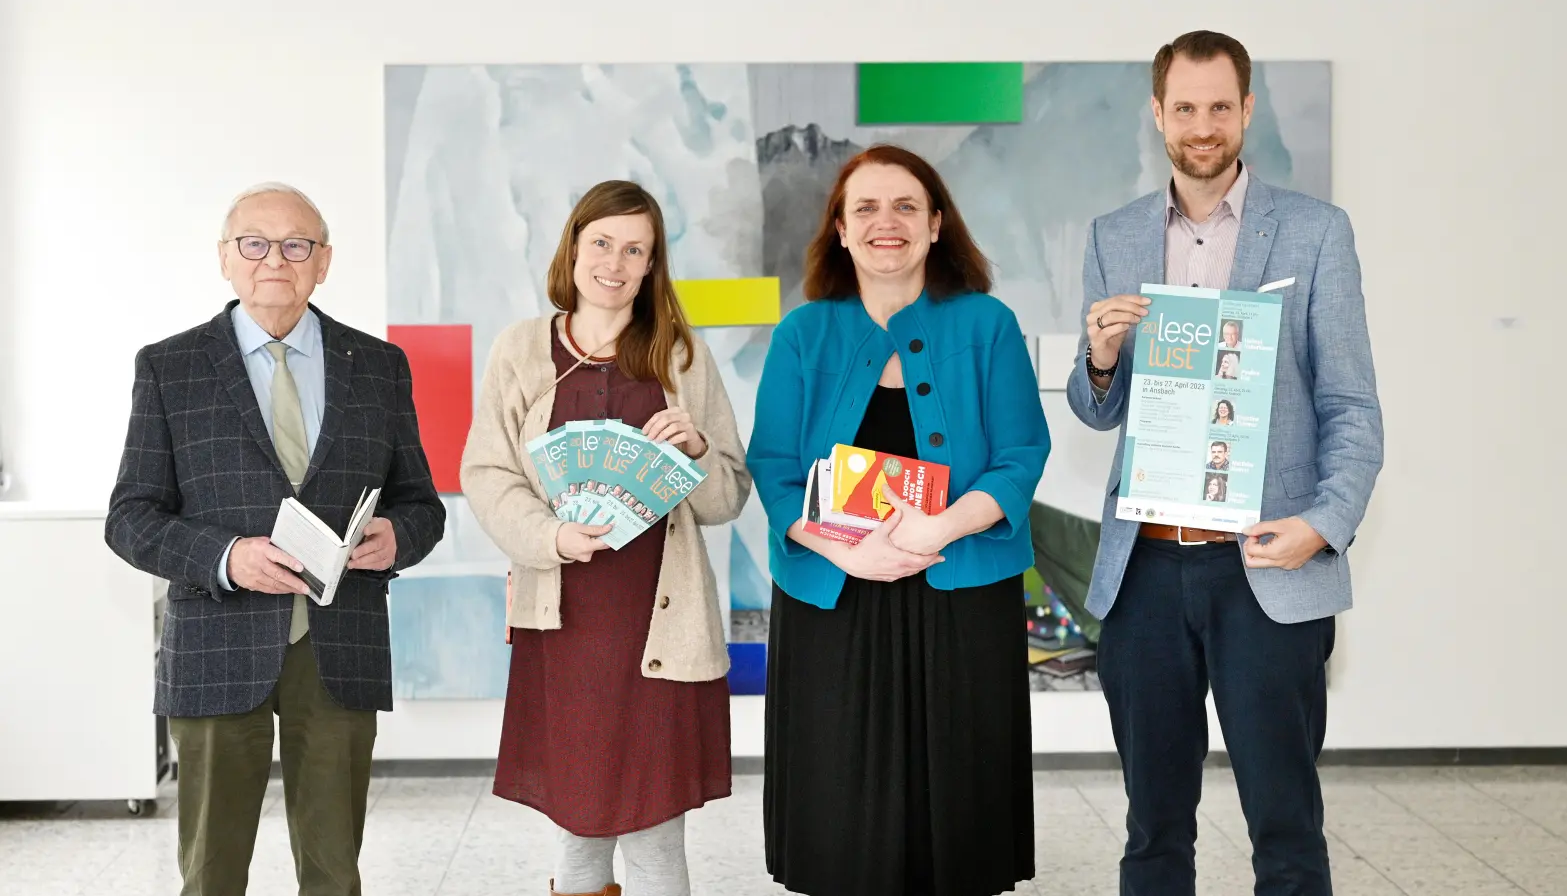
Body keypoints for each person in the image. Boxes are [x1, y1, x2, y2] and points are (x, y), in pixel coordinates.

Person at [1067, 30, 1383, 896]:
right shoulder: (1114, 234)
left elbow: (1352, 407)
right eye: (1184, 108)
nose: (1201, 126)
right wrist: (1097, 359)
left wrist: (1322, 526)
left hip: (1264, 568)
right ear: (1157, 115)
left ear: (1246, 109)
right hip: (1146, 572)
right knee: (1152, 828)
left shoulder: (1316, 233)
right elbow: (1100, 410)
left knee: (1285, 825)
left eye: (1218, 106)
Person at [105, 182, 446, 896]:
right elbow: (131, 517)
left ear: (323, 262)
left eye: (297, 246)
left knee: (333, 872)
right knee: (211, 873)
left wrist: (398, 537)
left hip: (340, 644)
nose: (275, 261)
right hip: (216, 646)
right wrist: (228, 558)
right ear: (226, 259)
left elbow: (421, 503)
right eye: (254, 244)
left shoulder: (378, 366)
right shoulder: (170, 368)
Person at [748, 144, 1049, 896]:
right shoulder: (802, 334)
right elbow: (775, 467)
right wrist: (843, 550)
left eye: (907, 206)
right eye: (866, 208)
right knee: (840, 806)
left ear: (938, 224)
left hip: (962, 591)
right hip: (833, 597)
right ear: (841, 232)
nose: (888, 223)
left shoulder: (988, 324)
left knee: (960, 796)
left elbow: (1020, 453)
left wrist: (940, 529)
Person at [460, 179, 751, 896]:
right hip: (564, 626)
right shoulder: (522, 350)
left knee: (656, 839)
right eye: (602, 243)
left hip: (661, 626)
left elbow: (727, 497)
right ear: (574, 248)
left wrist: (696, 453)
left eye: (635, 250)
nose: (615, 263)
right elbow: (487, 472)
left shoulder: (683, 355)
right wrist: (551, 536)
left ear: (652, 266)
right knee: (579, 832)